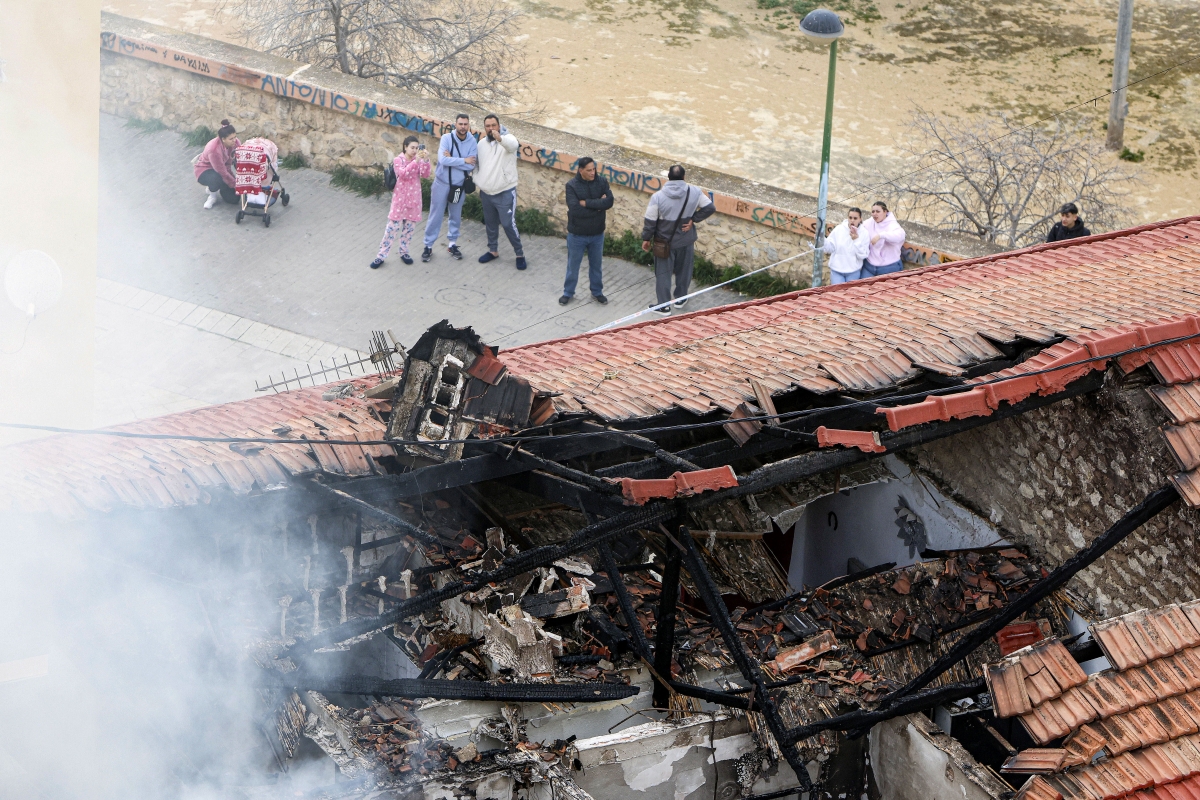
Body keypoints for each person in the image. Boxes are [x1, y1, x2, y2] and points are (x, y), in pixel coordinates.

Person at [640, 164, 714, 315]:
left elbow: (650, 221)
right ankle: (681, 298)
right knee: (684, 270)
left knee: (663, 274)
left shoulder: (658, 197)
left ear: (668, 177)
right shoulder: (694, 191)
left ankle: (664, 306)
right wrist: (694, 219)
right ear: (684, 177)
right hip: (686, 240)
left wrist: (646, 239)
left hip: (664, 243)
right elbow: (710, 208)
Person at [422, 114, 477, 263]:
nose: (463, 127)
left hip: (458, 186)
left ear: (469, 125)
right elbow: (443, 160)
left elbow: (471, 165)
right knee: (435, 215)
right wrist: (463, 160)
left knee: (455, 215)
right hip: (441, 183)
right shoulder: (446, 138)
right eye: (460, 124)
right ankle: (428, 245)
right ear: (455, 124)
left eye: (466, 124)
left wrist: (453, 159)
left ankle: (452, 244)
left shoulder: (472, 141)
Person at [474, 114, 526, 270]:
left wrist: (500, 138)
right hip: (487, 192)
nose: (491, 129)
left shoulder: (508, 139)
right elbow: (476, 164)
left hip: (505, 192)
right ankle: (493, 250)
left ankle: (519, 254)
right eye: (488, 126)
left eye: (493, 125)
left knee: (508, 224)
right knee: (490, 224)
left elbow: (513, 145)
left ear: (499, 125)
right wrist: (477, 178)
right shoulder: (481, 144)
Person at [371, 136, 431, 269]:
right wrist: (415, 161)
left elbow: (426, 175)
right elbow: (402, 174)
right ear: (405, 147)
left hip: (414, 200)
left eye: (417, 148)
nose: (415, 150)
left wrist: (425, 161)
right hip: (400, 200)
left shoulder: (419, 160)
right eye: (412, 148)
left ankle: (404, 252)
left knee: (409, 230)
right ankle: (381, 255)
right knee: (391, 229)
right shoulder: (398, 160)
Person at [560, 157, 613, 305]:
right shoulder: (572, 186)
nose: (592, 173)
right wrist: (598, 207)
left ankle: (597, 292)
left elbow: (609, 201)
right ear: (580, 170)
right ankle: (568, 292)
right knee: (573, 266)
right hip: (577, 235)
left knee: (596, 266)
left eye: (594, 169)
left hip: (597, 234)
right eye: (589, 170)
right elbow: (575, 210)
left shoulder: (602, 182)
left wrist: (588, 203)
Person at [194, 119, 240, 209]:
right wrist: (234, 184)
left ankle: (216, 187)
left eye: (235, 137)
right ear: (223, 139)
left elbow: (238, 158)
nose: (234, 140)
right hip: (205, 170)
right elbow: (221, 171)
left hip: (223, 170)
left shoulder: (235, 142)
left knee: (234, 199)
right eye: (231, 139)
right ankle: (212, 196)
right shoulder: (214, 150)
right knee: (216, 179)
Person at [822, 207, 870, 284]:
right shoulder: (839, 229)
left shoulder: (864, 233)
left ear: (860, 219)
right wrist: (822, 240)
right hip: (837, 270)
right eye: (850, 217)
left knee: (850, 295)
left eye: (855, 218)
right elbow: (829, 248)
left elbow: (863, 255)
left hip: (853, 271)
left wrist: (856, 240)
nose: (852, 220)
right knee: (837, 294)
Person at [861, 201, 906, 277]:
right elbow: (859, 227)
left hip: (889, 268)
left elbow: (900, 235)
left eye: (878, 211)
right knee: (862, 288)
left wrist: (881, 235)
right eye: (873, 211)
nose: (875, 214)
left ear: (885, 212)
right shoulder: (870, 222)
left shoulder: (892, 224)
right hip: (869, 267)